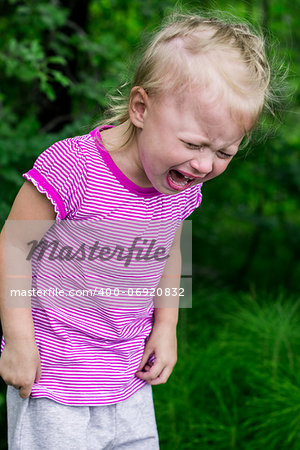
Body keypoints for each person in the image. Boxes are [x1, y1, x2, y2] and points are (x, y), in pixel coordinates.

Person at [0, 11, 272, 450]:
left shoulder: (179, 186)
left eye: (224, 151)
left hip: (128, 378)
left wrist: (166, 327)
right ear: (141, 108)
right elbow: (13, 246)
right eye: (194, 144)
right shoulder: (74, 167)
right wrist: (17, 340)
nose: (205, 165)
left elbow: (171, 252)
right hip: (54, 377)